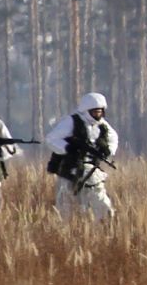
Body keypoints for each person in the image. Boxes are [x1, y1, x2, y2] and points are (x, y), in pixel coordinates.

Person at [45, 91, 119, 221]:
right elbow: (51, 139)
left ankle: (104, 231)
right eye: (95, 112)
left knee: (102, 206)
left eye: (100, 111)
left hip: (92, 172)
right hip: (70, 170)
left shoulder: (103, 125)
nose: (98, 115)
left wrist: (108, 150)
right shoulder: (72, 121)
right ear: (87, 110)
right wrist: (68, 148)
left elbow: (113, 138)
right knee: (67, 210)